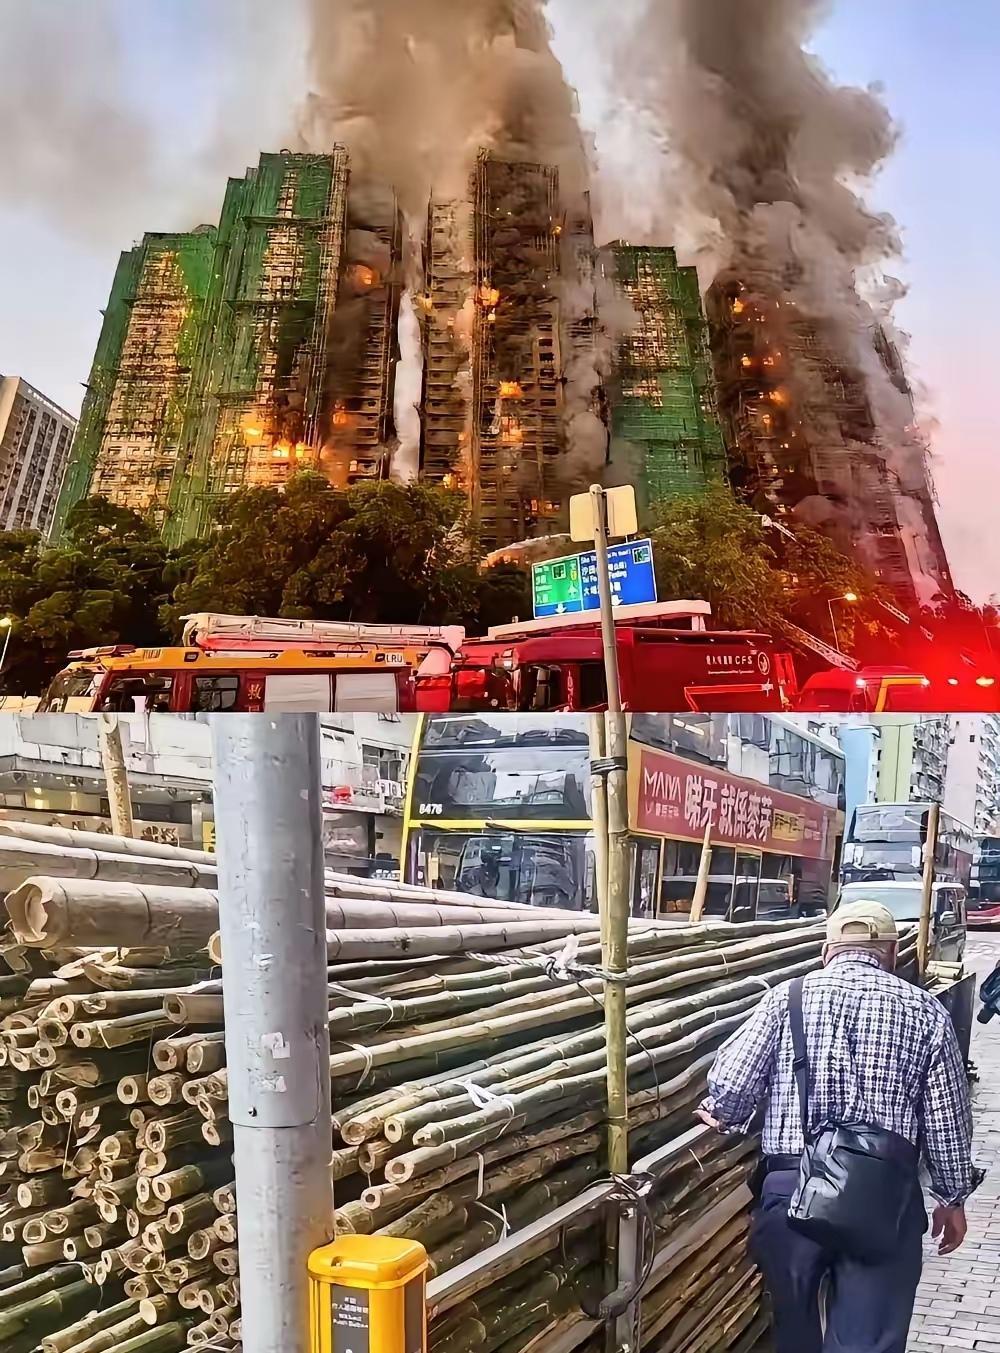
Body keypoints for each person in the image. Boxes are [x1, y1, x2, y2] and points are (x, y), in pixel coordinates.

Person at [697, 899, 981, 1353]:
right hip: (883, 1199)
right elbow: (947, 1119)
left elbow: (732, 1084)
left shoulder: (786, 998)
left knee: (794, 1334)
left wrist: (725, 1113)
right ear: (891, 952)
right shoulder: (926, 1011)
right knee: (868, 1342)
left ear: (827, 950)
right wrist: (952, 1198)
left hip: (792, 1191)